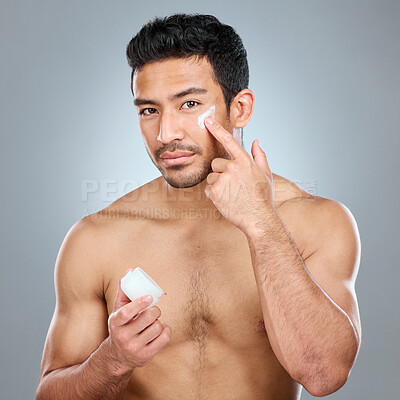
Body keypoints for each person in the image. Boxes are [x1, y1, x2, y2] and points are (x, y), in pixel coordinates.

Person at [36, 13, 362, 400]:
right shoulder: (96, 238)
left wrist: (260, 222)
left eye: (189, 103)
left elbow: (324, 376)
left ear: (239, 108)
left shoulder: (319, 223)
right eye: (148, 110)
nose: (165, 133)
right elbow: (49, 394)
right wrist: (113, 361)